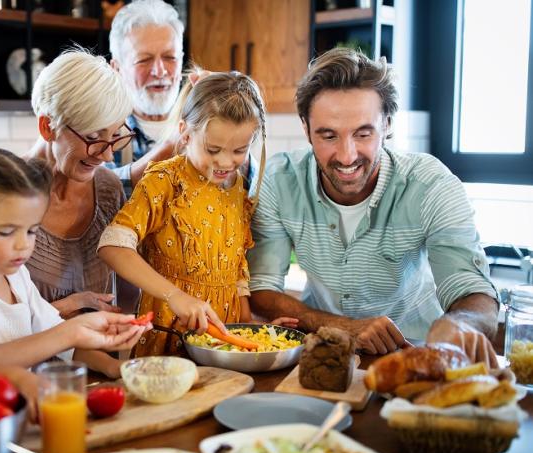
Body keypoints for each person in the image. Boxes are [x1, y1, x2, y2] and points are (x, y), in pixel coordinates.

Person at [246, 47, 500, 366]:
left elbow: (474, 291)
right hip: (320, 355)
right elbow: (261, 290)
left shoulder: (432, 185)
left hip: (417, 355)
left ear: (388, 124)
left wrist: (459, 325)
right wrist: (343, 327)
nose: (347, 155)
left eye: (363, 134)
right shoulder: (279, 181)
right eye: (328, 136)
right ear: (306, 128)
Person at [98, 72, 298, 357]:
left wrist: (252, 333)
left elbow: (237, 276)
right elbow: (112, 246)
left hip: (223, 342)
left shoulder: (238, 190)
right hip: (170, 335)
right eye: (213, 149)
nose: (226, 162)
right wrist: (175, 295)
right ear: (186, 132)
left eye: (240, 150)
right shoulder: (165, 181)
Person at [0, 150, 147, 393]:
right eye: (6, 232)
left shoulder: (15, 274)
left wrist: (114, 367)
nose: (24, 244)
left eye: (32, 231)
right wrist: (20, 377)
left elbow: (57, 339)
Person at [25, 50, 136, 317]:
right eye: (93, 137)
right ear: (47, 127)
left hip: (99, 359)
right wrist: (68, 307)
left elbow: (127, 296)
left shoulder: (109, 190)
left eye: (115, 136)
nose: (108, 155)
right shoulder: (3, 194)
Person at [107, 0, 185, 197]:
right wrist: (170, 147)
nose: (159, 71)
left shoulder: (201, 120)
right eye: (144, 60)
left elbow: (248, 185)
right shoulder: (103, 132)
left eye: (170, 57)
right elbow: (98, 192)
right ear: (117, 68)